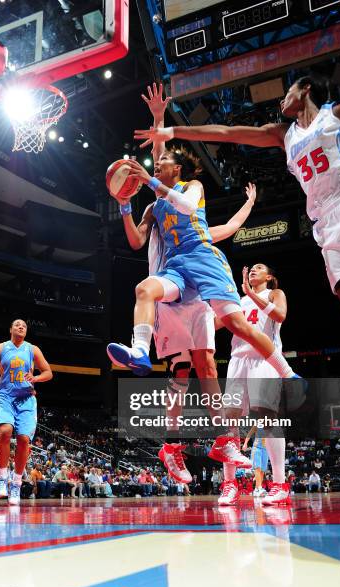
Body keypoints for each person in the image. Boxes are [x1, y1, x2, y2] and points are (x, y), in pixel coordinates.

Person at [135, 74, 340, 389]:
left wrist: (166, 127)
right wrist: (168, 127)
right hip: (326, 221)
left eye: (289, 91)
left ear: (307, 89)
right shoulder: (282, 134)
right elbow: (227, 133)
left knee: (213, 354)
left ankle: (284, 376)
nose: (282, 98)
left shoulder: (336, 112)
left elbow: (222, 220)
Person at [113, 84, 256, 481]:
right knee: (178, 372)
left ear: (178, 170)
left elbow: (223, 227)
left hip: (196, 286)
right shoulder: (157, 205)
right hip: (170, 285)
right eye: (156, 166)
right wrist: (125, 205)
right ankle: (172, 443)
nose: (156, 166)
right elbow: (137, 238)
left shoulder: (191, 208)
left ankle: (220, 440)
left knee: (205, 365)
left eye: (163, 165)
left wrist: (248, 206)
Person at [216, 263, 291, 506]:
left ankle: (280, 484)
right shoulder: (238, 299)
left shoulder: (274, 294)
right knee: (229, 421)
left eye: (259, 268)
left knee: (267, 420)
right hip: (238, 359)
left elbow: (280, 315)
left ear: (270, 276)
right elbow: (216, 323)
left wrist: (251, 295)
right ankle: (229, 485)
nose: (253, 270)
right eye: (251, 268)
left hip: (264, 359)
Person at [0, 319, 53, 505]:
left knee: (23, 440)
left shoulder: (32, 349)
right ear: (10, 329)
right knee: (5, 431)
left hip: (27, 400)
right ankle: (3, 478)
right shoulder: (0, 347)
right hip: (5, 398)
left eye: (24, 326)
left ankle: (17, 483)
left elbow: (48, 372)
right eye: (17, 325)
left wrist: (35, 377)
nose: (21, 327)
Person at [243, 425, 268, 498]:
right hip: (257, 448)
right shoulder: (257, 424)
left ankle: (257, 489)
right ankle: (259, 488)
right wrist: (245, 444)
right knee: (258, 468)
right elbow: (249, 434)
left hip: (265, 450)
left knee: (262, 470)